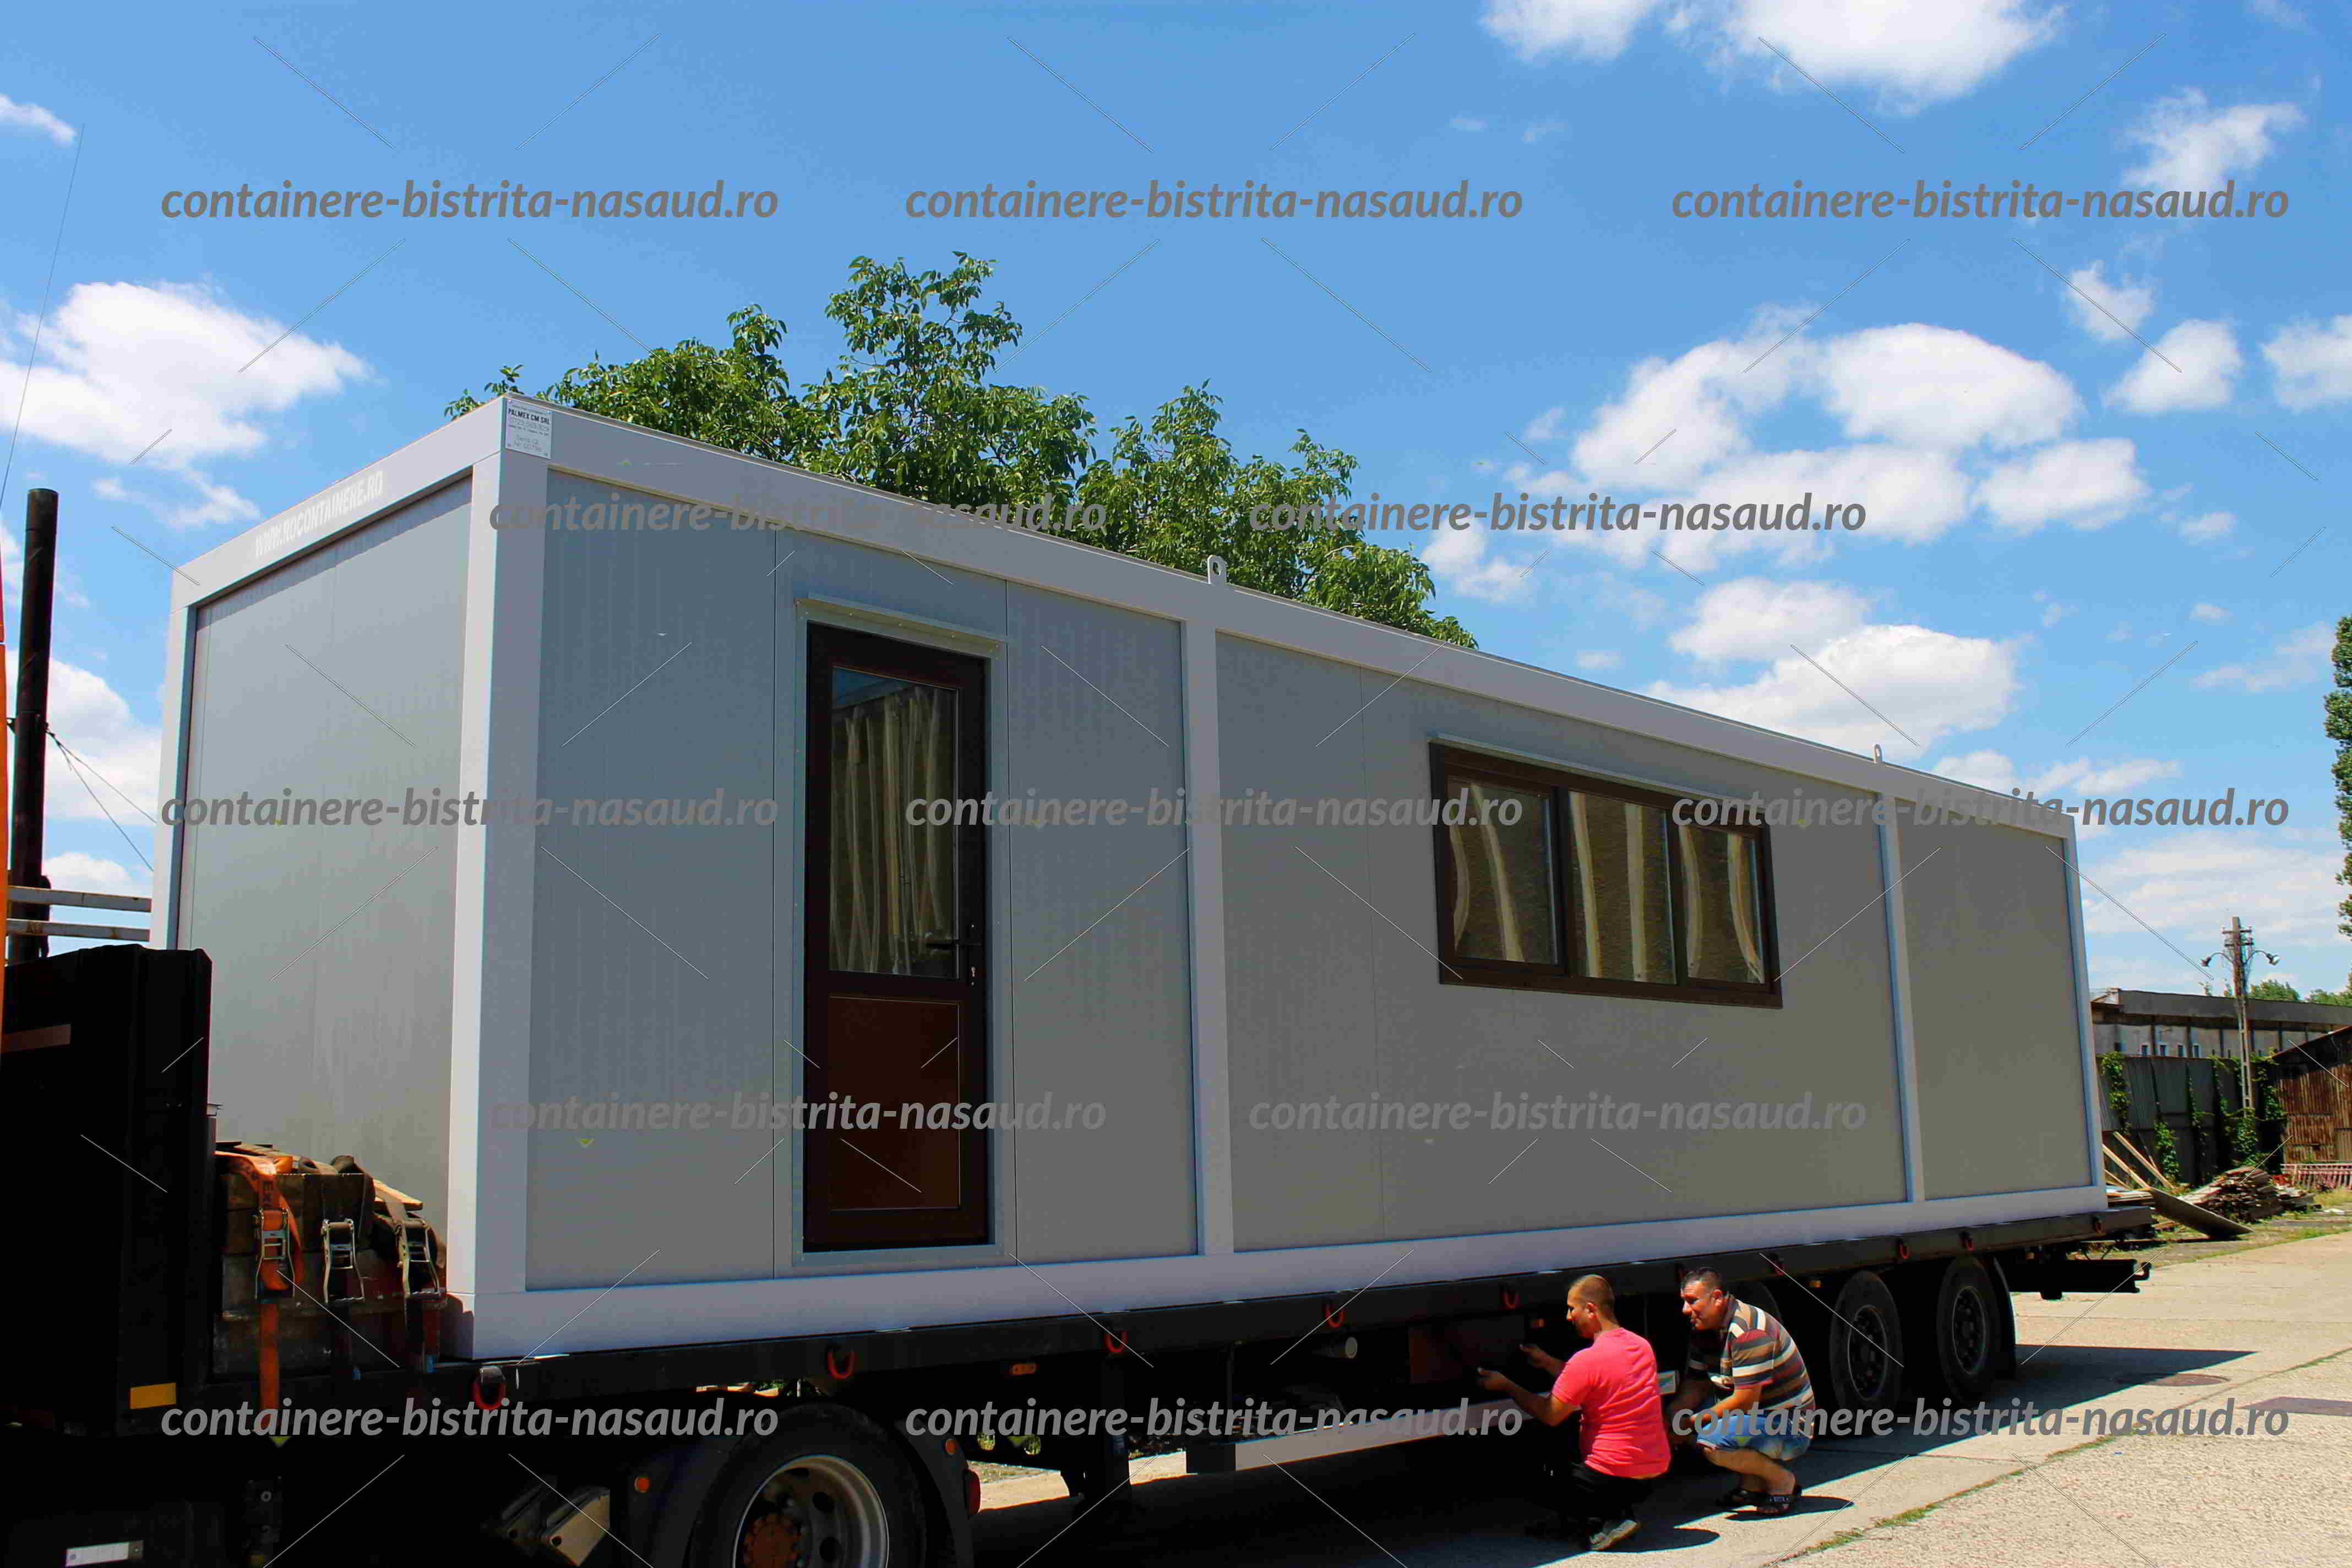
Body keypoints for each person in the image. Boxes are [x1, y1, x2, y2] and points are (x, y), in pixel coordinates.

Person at [1478, 1273, 1669, 1551]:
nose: (1569, 1317)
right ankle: (1613, 1512)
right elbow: (1596, 1377)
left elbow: (1550, 1414)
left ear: (1591, 1309)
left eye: (1572, 1309)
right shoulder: (1641, 1346)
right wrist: (1547, 1362)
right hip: (1649, 1476)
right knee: (1575, 1442)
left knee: (1525, 1470)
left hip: (1609, 1477)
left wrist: (1507, 1385)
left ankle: (1606, 1521)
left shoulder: (1587, 1360)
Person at [1667, 1267, 1816, 1516]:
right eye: (1683, 1301)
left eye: (1692, 1301)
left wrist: (1690, 1423)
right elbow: (1697, 1383)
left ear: (1717, 1298)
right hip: (1757, 1417)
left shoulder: (1749, 1331)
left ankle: (1782, 1482)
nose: (1685, 1309)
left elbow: (1745, 1401)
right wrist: (1673, 1416)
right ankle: (1752, 1484)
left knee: (1713, 1442)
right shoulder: (1705, 1330)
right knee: (1687, 1426)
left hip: (1790, 1426)